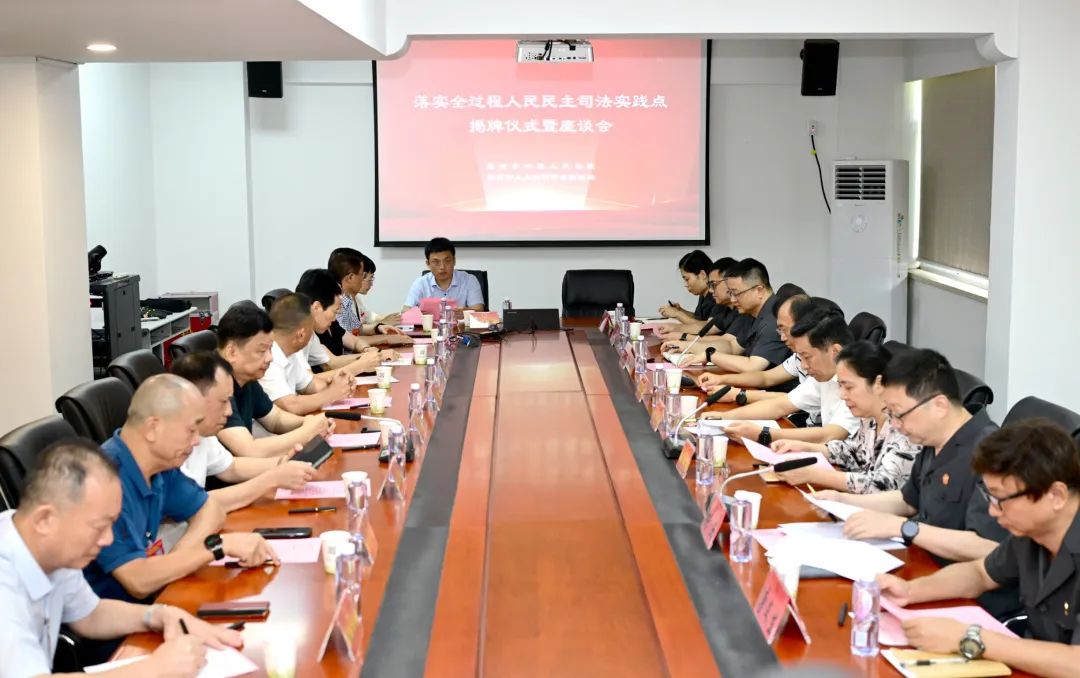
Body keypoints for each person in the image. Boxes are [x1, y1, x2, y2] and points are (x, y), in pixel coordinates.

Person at [0, 439, 242, 678]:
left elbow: (90, 615)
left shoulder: (48, 545)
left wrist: (159, 615)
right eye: (99, 527)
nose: (107, 539)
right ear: (44, 520)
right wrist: (154, 668)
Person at [813, 348, 1016, 616]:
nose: (896, 425)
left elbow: (988, 547)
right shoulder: (933, 439)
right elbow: (908, 500)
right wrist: (842, 501)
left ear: (939, 406)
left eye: (899, 414)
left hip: (971, 600)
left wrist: (905, 528)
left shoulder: (993, 455)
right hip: (922, 568)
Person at [876, 421, 1080, 677]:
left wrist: (971, 638)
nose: (993, 512)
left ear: (1056, 496)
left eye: (1000, 499)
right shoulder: (1031, 534)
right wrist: (911, 590)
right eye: (989, 497)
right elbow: (980, 573)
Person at [83, 375, 277, 604]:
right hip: (115, 618)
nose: (196, 441)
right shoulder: (105, 482)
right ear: (153, 428)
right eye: (191, 430)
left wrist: (173, 564)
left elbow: (210, 510)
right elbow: (138, 581)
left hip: (154, 604)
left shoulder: (160, 464)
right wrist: (214, 550)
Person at [170, 351, 316, 517]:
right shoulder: (167, 447)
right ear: (193, 398)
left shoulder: (203, 433)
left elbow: (230, 467)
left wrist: (284, 464)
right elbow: (196, 503)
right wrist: (271, 479)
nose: (229, 411)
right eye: (223, 401)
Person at [770, 340, 921, 493]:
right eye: (840, 386)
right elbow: (853, 452)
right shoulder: (870, 419)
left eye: (848, 387)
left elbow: (882, 484)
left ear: (878, 384)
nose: (842, 395)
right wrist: (806, 448)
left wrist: (813, 475)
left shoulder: (907, 427)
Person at [704, 302, 860, 444]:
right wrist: (724, 417)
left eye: (807, 357)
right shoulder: (824, 374)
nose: (803, 366)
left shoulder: (860, 381)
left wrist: (764, 434)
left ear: (835, 351)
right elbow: (780, 405)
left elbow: (831, 434)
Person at [214, 302, 332, 459]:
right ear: (231, 352)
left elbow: (275, 419)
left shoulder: (246, 377)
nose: (270, 357)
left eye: (270, 349)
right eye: (262, 350)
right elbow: (249, 450)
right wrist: (307, 432)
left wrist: (309, 422)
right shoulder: (213, 383)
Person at [663, 258, 790, 373]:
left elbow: (752, 366)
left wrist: (710, 356)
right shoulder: (753, 313)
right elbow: (732, 347)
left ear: (759, 290)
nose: (733, 300)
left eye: (736, 293)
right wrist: (686, 346)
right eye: (730, 293)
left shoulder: (775, 318)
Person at [259, 293, 370, 415]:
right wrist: (330, 394)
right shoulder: (267, 358)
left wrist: (340, 385)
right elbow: (291, 405)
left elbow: (308, 385)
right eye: (311, 329)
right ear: (301, 334)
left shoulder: (291, 352)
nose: (313, 334)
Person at [698, 286, 809, 405]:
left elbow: (795, 399)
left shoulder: (819, 357)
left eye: (784, 329)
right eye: (780, 330)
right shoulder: (798, 356)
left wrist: (738, 394)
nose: (782, 337)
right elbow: (766, 378)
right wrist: (721, 379)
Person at [295, 268, 395, 372]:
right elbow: (329, 366)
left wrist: (368, 351)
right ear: (316, 307)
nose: (335, 318)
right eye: (335, 311)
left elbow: (333, 360)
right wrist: (373, 357)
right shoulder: (298, 332)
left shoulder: (312, 332)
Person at [326, 248, 410, 350]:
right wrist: (386, 338)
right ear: (350, 277)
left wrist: (378, 327)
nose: (363, 279)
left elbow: (357, 329)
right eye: (362, 275)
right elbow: (349, 340)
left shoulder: (347, 299)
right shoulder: (336, 302)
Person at [403, 237, 485, 311]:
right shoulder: (420, 283)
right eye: (436, 262)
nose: (442, 267)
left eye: (447, 261)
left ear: (454, 261)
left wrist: (465, 312)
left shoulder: (469, 280)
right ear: (428, 264)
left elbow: (479, 310)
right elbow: (406, 311)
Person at [658, 250, 718, 326]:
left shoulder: (717, 296)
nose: (685, 285)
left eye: (687, 279)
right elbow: (699, 319)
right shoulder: (703, 294)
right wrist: (680, 311)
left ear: (702, 274)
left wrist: (677, 314)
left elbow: (708, 327)